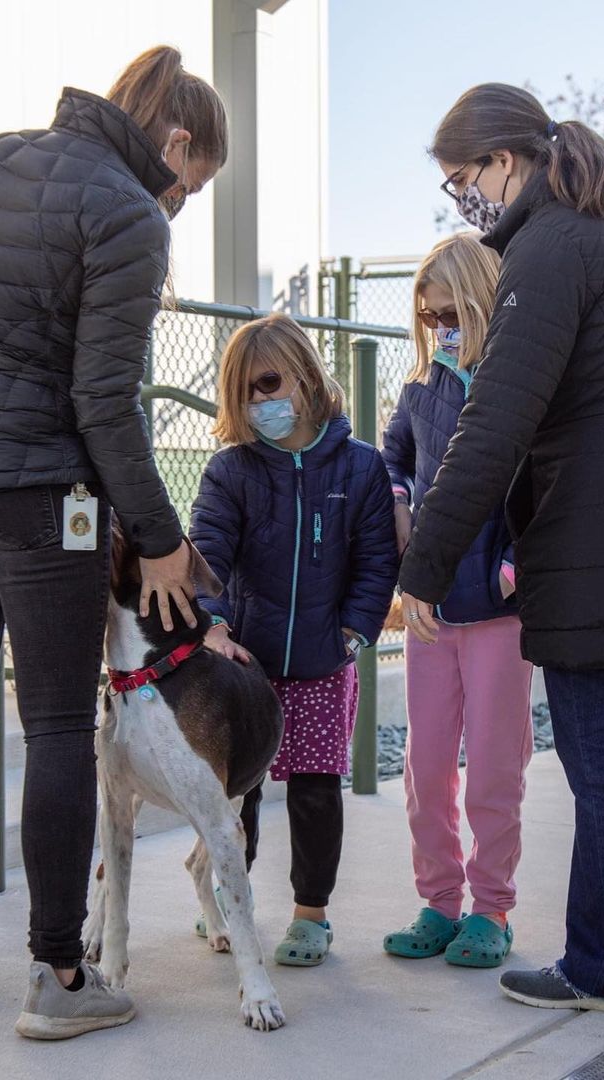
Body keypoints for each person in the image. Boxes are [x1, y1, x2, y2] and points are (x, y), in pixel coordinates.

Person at [0, 45, 227, 1040]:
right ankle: (59, 978)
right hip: (43, 495)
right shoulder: (124, 215)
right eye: (189, 188)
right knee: (64, 727)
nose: (178, 206)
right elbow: (103, 403)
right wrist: (160, 540)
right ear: (176, 142)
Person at [397, 83, 604, 1015]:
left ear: (509, 160)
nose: (469, 203)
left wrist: (424, 563)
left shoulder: (546, 250)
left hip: (596, 550)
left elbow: (495, 421)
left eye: (467, 182)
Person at [190, 313, 397, 968]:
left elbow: (374, 563)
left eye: (270, 383)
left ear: (306, 377)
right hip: (245, 665)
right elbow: (208, 555)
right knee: (237, 791)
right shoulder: (231, 471)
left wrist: (355, 631)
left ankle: (312, 916)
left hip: (322, 661)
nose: (261, 402)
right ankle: (232, 891)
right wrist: (213, 626)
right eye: (246, 391)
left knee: (315, 789)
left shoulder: (361, 468)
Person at [381, 234, 533, 969]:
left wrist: (511, 569)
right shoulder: (418, 393)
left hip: (500, 613)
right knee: (427, 762)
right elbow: (392, 459)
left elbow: (539, 491)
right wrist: (399, 500)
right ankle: (439, 900)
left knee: (497, 763)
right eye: (429, 316)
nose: (441, 328)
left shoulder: (518, 390)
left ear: (484, 308)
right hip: (431, 613)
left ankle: (491, 906)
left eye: (453, 314)